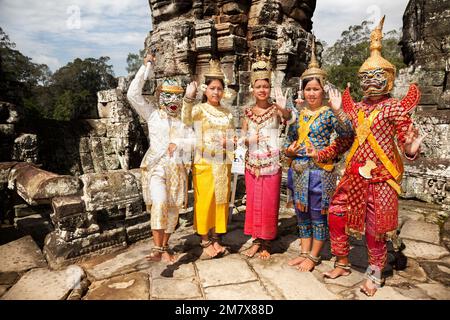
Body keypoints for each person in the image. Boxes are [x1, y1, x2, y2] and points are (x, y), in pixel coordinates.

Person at [310, 17, 425, 296]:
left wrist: (410, 149)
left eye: (377, 77)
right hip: (352, 175)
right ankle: (342, 261)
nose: (371, 82)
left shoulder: (395, 108)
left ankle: (375, 272)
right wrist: (321, 152)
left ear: (388, 78)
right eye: (366, 78)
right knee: (336, 216)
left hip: (382, 178)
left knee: (376, 229)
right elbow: (345, 139)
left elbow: (405, 137)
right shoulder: (356, 109)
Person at [284, 40, 354, 271]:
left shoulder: (328, 114)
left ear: (323, 90)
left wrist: (338, 110)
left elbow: (347, 135)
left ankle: (314, 256)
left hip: (320, 172)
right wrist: (289, 151)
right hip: (299, 170)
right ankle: (304, 251)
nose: (312, 93)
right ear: (302, 91)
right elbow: (289, 140)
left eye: (316, 88)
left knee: (317, 214)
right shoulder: (300, 114)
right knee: (301, 213)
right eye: (308, 89)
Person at [126, 53, 193, 263]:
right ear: (159, 96)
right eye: (168, 95)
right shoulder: (152, 114)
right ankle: (156, 248)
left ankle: (164, 248)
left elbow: (195, 140)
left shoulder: (183, 121)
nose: (172, 100)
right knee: (160, 202)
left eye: (176, 96)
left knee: (173, 213)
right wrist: (146, 68)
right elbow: (132, 94)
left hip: (177, 170)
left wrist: (179, 143)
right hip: (156, 167)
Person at [239, 50, 294, 260]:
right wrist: (249, 140)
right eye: (258, 86)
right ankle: (255, 239)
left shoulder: (276, 110)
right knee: (253, 203)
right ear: (252, 89)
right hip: (252, 163)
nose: (262, 90)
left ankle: (266, 242)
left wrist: (282, 105)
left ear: (270, 88)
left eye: (265, 86)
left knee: (269, 202)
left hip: (271, 164)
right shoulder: (247, 112)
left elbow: (290, 118)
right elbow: (242, 138)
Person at [181, 60, 235, 259]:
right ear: (206, 90)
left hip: (222, 163)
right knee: (205, 201)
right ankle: (204, 239)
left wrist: (229, 143)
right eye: (212, 88)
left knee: (220, 201)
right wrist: (188, 99)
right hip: (203, 162)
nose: (216, 92)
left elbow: (232, 140)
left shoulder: (228, 113)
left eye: (219, 89)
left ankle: (215, 237)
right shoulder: (199, 110)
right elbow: (185, 120)